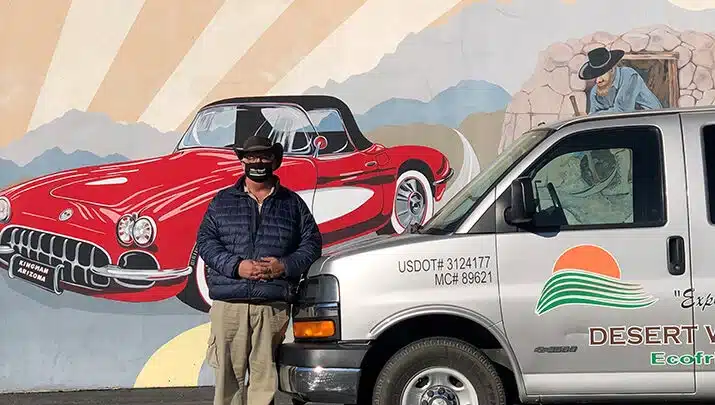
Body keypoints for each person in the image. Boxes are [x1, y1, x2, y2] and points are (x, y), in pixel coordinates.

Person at [196, 135, 323, 405]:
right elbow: (205, 242)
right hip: (229, 307)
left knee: (265, 381)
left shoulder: (292, 203)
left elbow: (312, 244)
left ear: (275, 161)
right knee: (228, 384)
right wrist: (236, 266)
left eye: (264, 157)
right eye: (252, 157)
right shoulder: (222, 201)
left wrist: (283, 266)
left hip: (272, 307)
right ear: (242, 160)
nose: (258, 162)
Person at [578, 46, 663, 115]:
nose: (597, 81)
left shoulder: (629, 76)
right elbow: (594, 119)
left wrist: (593, 116)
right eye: (595, 76)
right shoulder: (595, 92)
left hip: (651, 123)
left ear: (611, 70)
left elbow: (623, 111)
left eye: (600, 75)